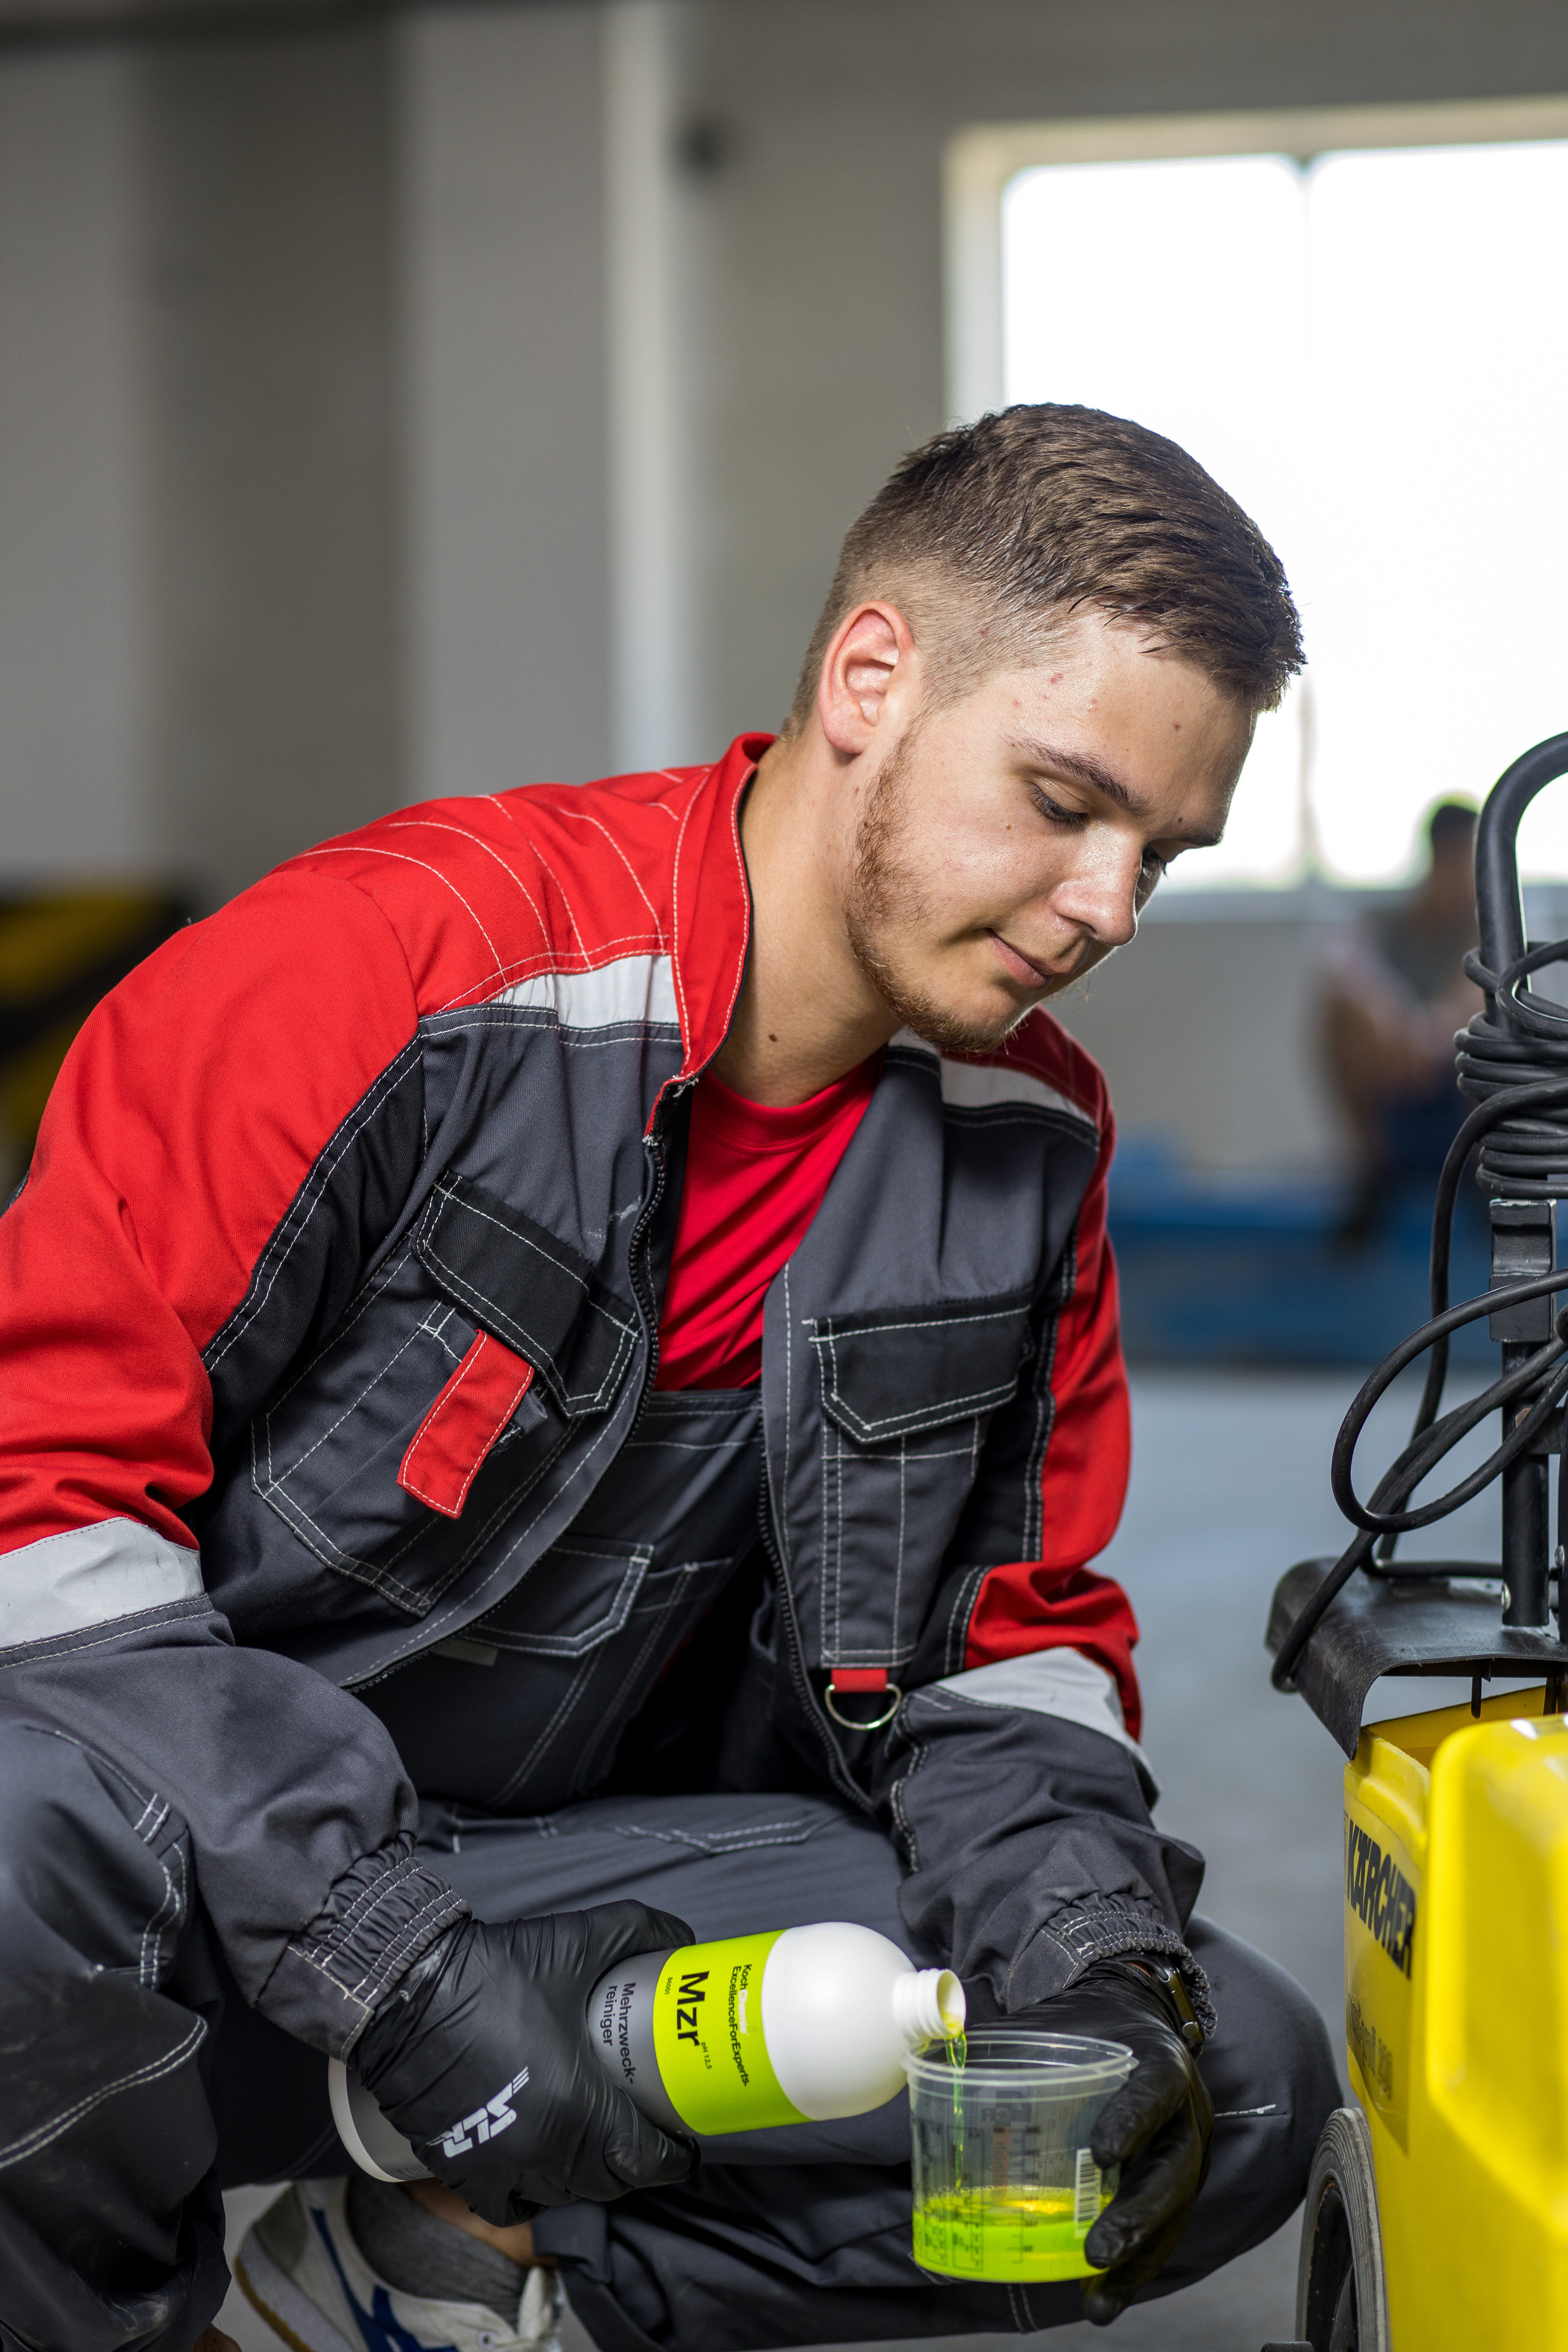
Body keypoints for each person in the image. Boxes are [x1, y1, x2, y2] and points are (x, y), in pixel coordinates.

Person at [0, 404, 1338, 2352]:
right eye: (1064, 801)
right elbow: (35, 1503)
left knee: (1223, 2089)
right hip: (190, 1923)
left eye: (1161, 848)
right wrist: (390, 1954)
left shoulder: (1021, 1146)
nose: (1109, 905)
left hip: (597, 1930)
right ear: (869, 673)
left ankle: (425, 2277)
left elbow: (1006, 1652)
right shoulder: (388, 972)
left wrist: (1088, 1960)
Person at [1319, 799, 1483, 1239]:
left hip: (1459, 1099)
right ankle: (1373, 1165)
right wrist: (1401, 1033)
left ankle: (1483, 1165)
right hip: (1394, 1093)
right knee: (1343, 1010)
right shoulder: (1380, 927)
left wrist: (1432, 1036)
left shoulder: (1493, 930)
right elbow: (1349, 980)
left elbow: (1475, 998)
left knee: (1499, 1006)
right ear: (1440, 855)